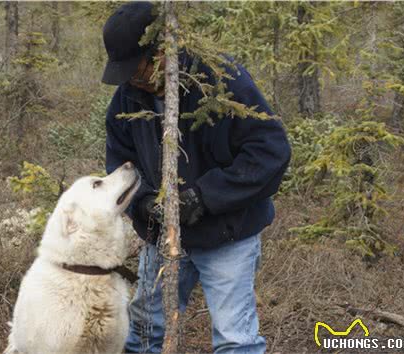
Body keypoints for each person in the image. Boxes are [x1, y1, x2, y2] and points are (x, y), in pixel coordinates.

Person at [101, 2, 292, 354]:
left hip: (228, 235)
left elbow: (271, 152)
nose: (133, 79)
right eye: (126, 72)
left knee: (236, 340)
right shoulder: (127, 98)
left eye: (137, 69)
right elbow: (120, 165)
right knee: (143, 334)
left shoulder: (222, 80)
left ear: (161, 51)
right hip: (161, 238)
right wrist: (141, 203)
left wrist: (206, 197)